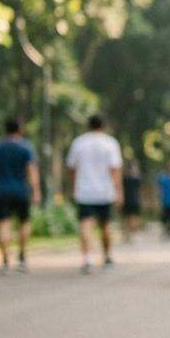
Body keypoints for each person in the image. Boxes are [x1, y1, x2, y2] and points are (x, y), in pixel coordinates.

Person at [66, 114, 123, 274]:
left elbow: (72, 168)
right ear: (103, 126)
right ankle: (107, 256)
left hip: (84, 191)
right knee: (105, 226)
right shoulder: (110, 143)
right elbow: (115, 169)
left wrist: (74, 186)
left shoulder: (79, 142)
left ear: (88, 125)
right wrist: (119, 191)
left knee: (85, 224)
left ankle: (87, 259)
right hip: (105, 191)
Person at [0, 119, 41, 275]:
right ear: (20, 129)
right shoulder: (26, 147)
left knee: (4, 224)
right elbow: (32, 170)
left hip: (2, 190)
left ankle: (5, 262)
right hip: (21, 191)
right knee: (24, 222)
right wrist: (36, 190)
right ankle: (22, 256)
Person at [120, 161, 142, 243]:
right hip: (134, 200)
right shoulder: (136, 178)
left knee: (126, 218)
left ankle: (126, 234)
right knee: (133, 218)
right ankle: (130, 234)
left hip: (126, 200)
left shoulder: (124, 178)